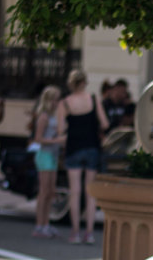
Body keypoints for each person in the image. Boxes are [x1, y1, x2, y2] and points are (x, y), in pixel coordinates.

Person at [58, 69, 109, 245]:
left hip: (73, 147)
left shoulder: (65, 103)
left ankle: (75, 231)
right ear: (85, 82)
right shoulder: (94, 99)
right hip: (91, 146)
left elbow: (60, 129)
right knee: (90, 193)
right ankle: (89, 232)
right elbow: (105, 123)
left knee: (75, 191)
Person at [30, 86, 64, 238]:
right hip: (45, 155)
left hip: (53, 155)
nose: (57, 102)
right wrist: (56, 140)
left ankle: (46, 223)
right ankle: (40, 225)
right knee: (44, 192)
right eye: (55, 99)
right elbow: (38, 138)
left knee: (50, 192)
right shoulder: (43, 116)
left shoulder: (53, 116)